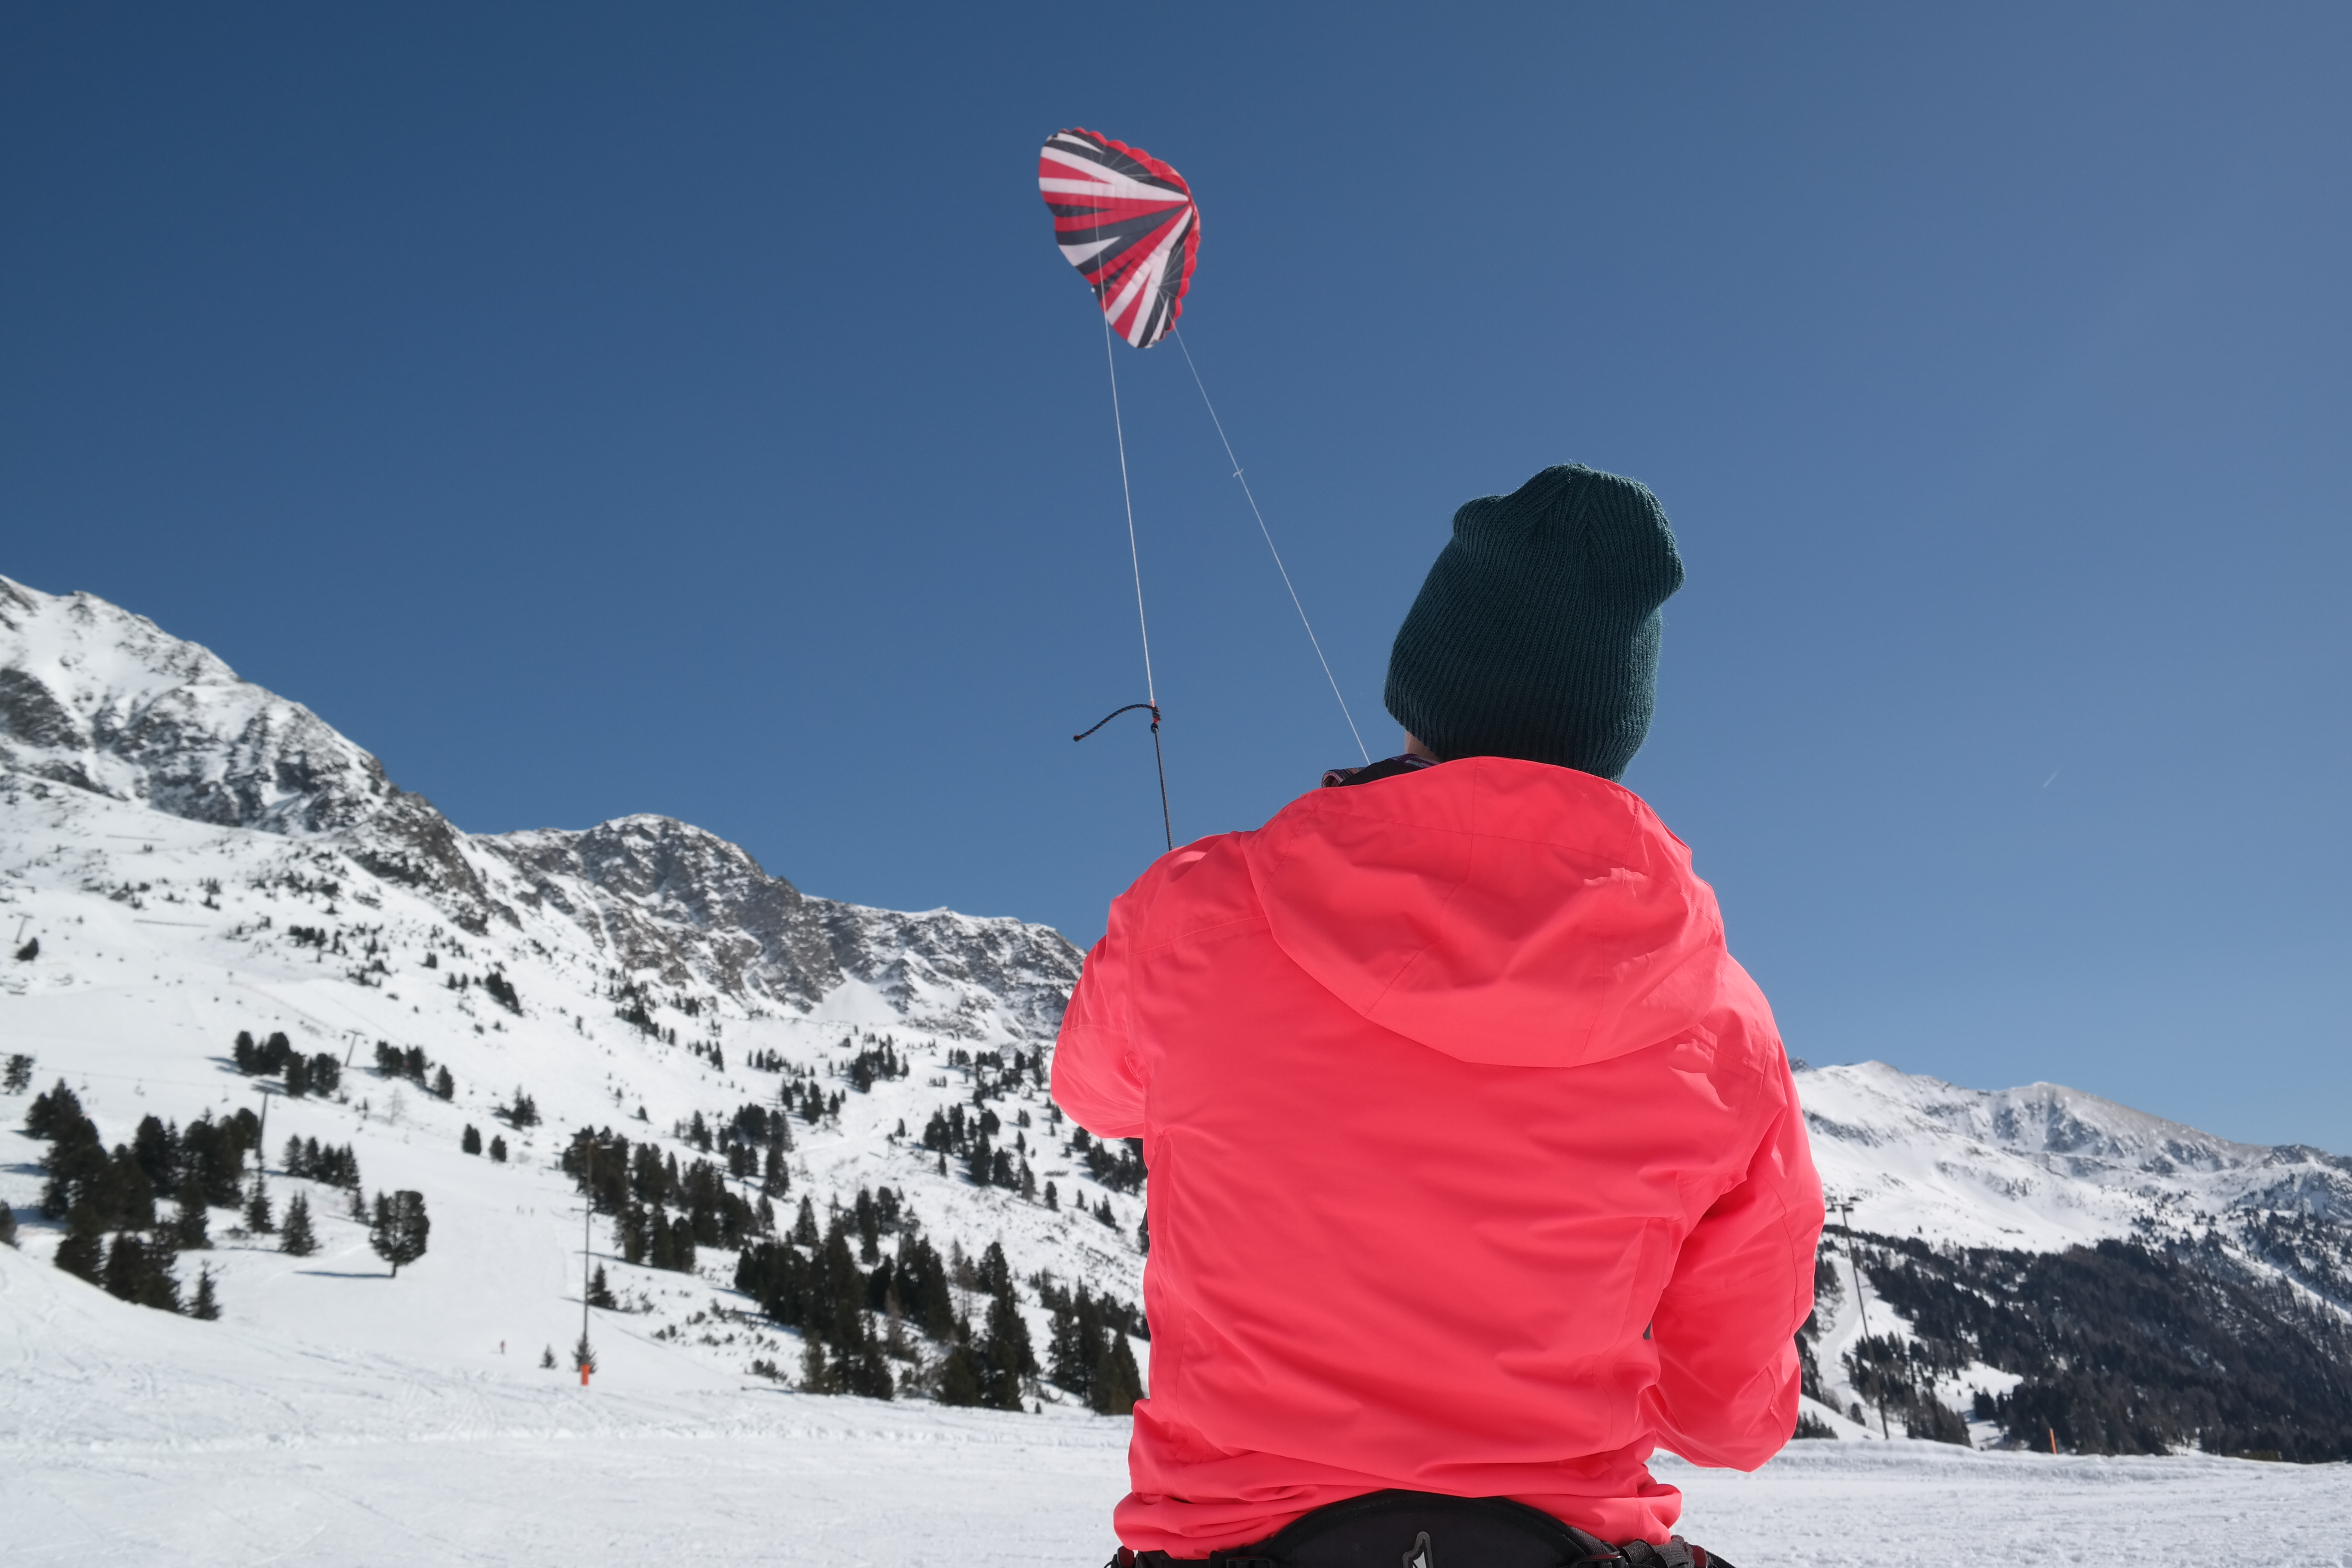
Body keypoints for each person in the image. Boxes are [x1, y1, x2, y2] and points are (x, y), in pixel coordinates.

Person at [1053, 464, 1825, 1567]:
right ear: (1616, 727)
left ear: (1419, 689)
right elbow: (1730, 1421)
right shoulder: (1726, 1026)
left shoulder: (1196, 910)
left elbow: (1091, 1091)